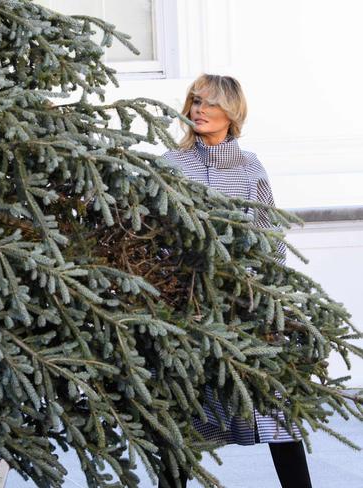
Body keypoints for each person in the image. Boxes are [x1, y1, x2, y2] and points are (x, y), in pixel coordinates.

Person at [158, 74, 312, 488]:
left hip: (245, 309)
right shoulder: (170, 164)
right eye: (195, 101)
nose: (200, 110)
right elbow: (157, 235)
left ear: (233, 113)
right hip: (189, 309)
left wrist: (268, 298)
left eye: (211, 103)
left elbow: (269, 237)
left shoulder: (250, 167)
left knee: (276, 411)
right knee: (183, 419)